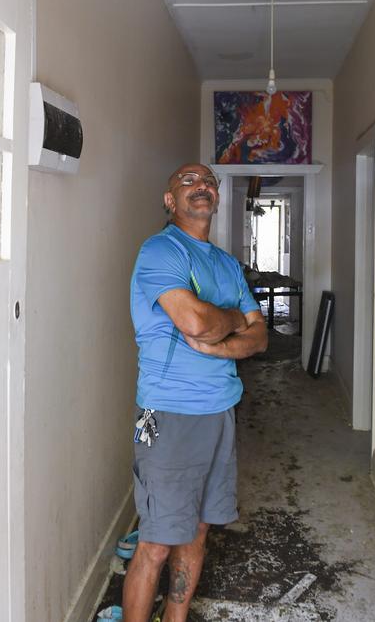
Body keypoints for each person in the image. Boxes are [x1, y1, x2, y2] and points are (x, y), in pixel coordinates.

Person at [122, 163, 267, 622]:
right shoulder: (159, 251)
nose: (200, 186)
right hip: (168, 415)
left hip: (220, 411)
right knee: (157, 543)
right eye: (187, 181)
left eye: (208, 181)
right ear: (170, 200)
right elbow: (194, 322)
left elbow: (260, 337)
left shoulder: (226, 264)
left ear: (216, 197)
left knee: (199, 529)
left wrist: (218, 343)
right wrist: (229, 321)